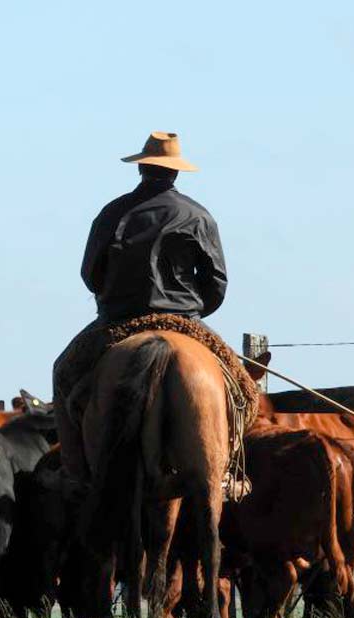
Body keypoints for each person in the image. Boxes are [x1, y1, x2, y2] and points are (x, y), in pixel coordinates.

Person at [53, 131, 227, 481]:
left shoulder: (113, 212)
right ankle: (228, 465)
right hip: (184, 321)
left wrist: (114, 298)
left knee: (63, 373)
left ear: (141, 168)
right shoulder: (199, 215)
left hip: (120, 320)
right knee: (241, 390)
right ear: (176, 172)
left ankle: (75, 476)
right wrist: (191, 314)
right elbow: (217, 283)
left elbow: (91, 274)